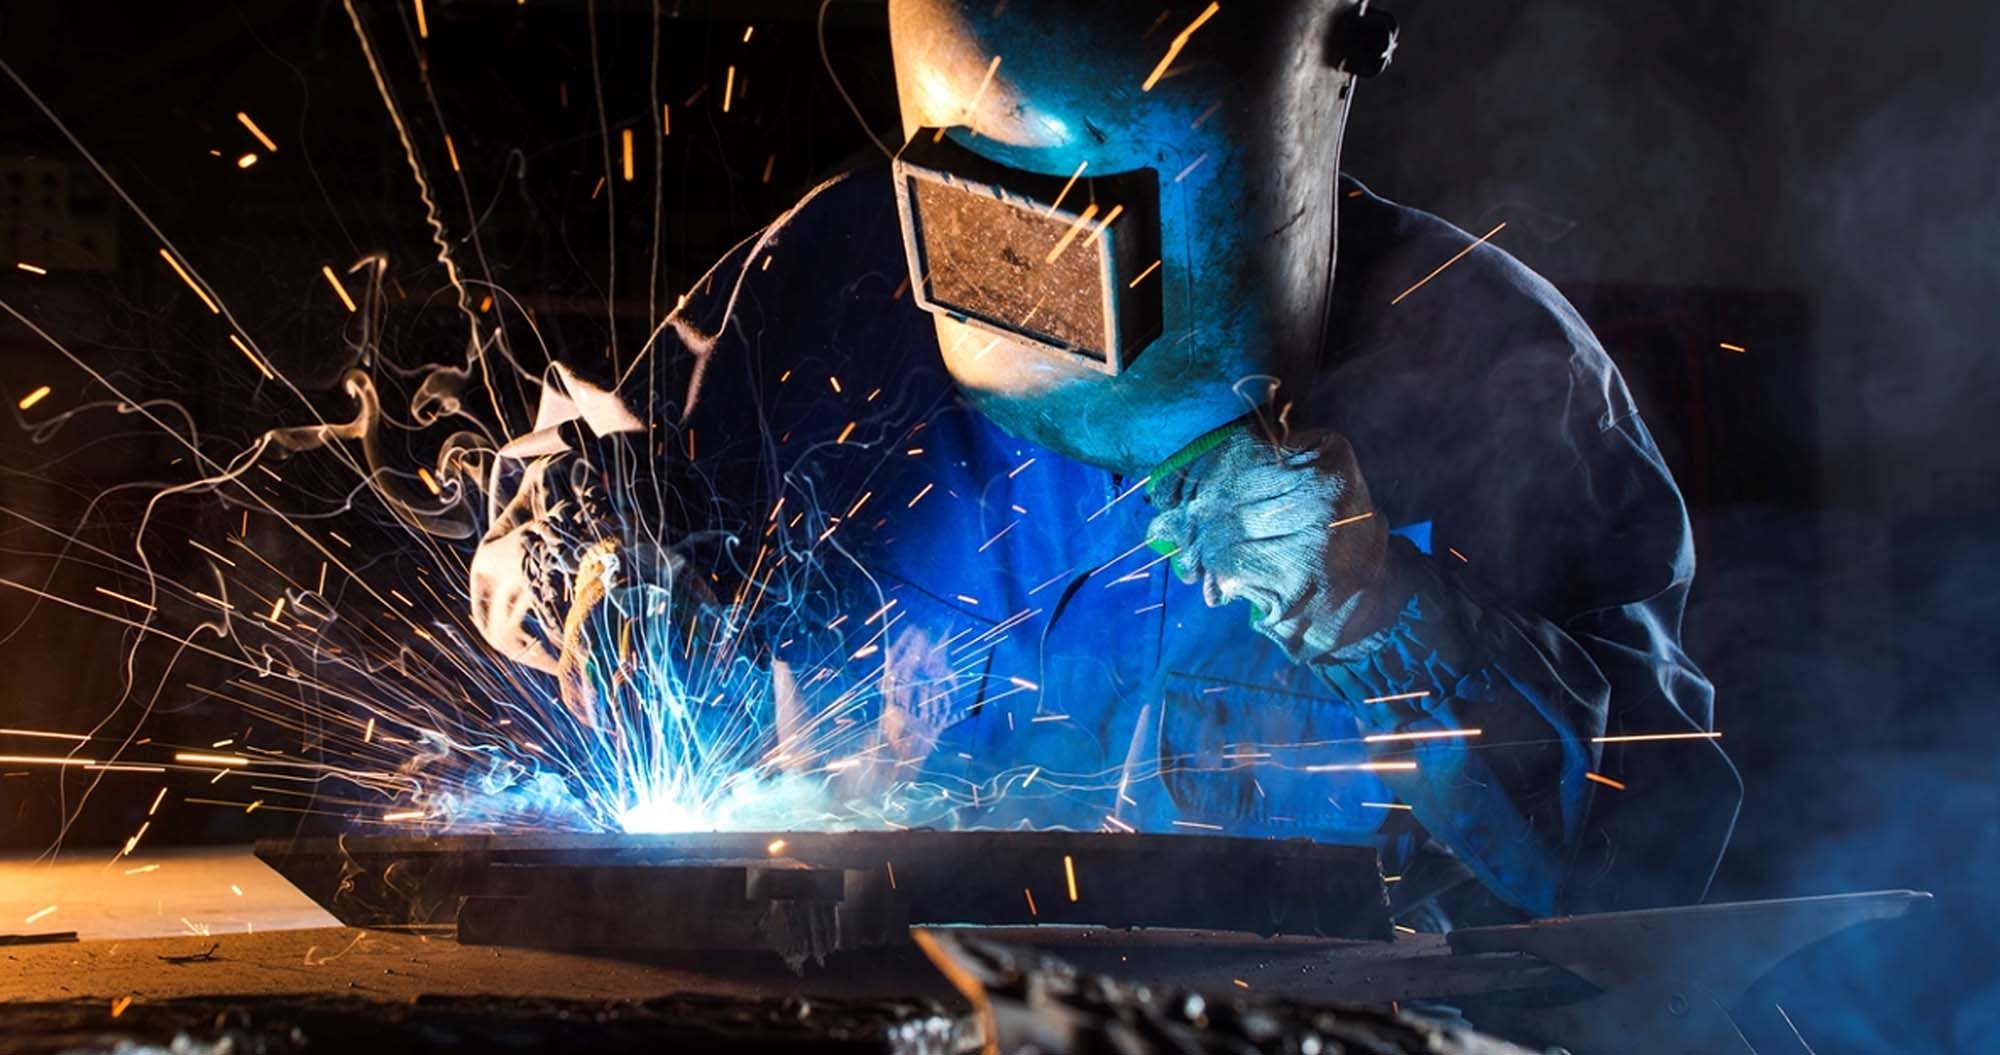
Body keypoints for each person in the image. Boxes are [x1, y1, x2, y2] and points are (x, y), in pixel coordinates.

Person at [467, 0, 1740, 920]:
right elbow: (561, 503)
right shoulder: (832, 275)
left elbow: (1651, 857)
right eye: (991, 225)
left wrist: (1385, 614)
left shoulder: (1494, 369)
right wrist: (591, 563)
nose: (1048, 280)